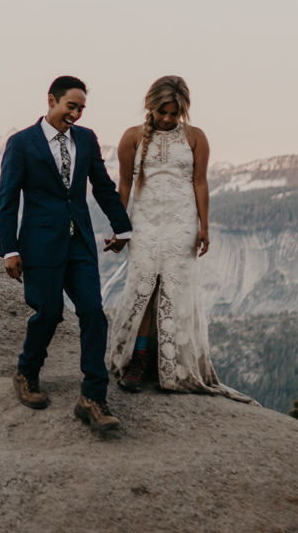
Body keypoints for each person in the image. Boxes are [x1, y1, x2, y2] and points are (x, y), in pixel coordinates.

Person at [0, 76, 133, 434]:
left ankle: (92, 396)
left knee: (93, 312)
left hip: (80, 244)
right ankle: (27, 371)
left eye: (81, 108)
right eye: (71, 106)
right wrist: (9, 249)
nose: (76, 113)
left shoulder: (86, 139)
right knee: (50, 313)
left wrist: (123, 228)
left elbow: (102, 186)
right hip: (39, 243)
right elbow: (8, 200)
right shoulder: (22, 143)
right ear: (51, 100)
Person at [106, 75, 254, 402]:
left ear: (184, 110)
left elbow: (200, 183)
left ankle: (169, 365)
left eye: (175, 113)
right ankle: (139, 359)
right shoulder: (131, 138)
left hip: (182, 222)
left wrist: (204, 226)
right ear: (151, 107)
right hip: (144, 221)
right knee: (144, 285)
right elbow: (125, 186)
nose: (168, 119)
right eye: (162, 112)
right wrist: (120, 227)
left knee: (172, 287)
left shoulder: (195, 137)